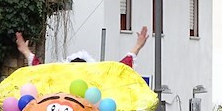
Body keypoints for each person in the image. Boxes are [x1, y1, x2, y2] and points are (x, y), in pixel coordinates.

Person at [15, 26, 149, 68]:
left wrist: (138, 46)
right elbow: (43, 71)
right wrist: (26, 51)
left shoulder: (96, 81)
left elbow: (120, 69)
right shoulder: (61, 79)